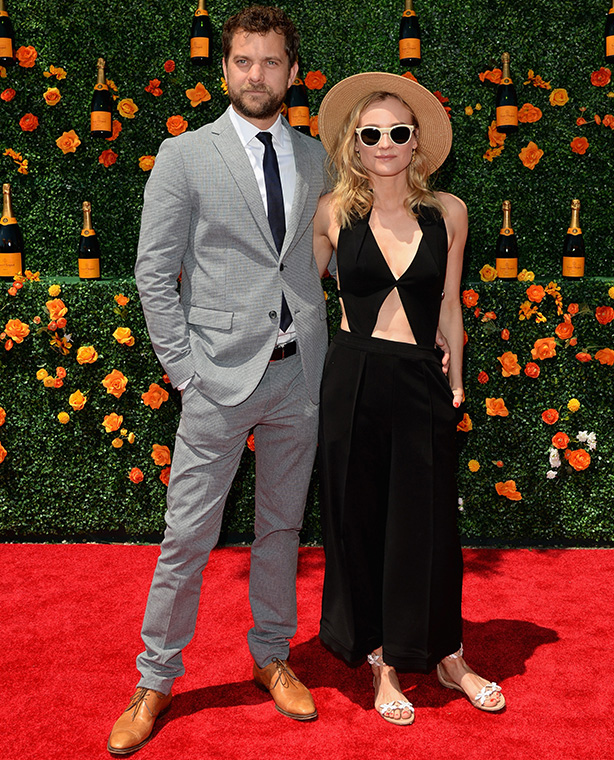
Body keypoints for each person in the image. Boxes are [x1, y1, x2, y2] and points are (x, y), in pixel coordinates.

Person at [107, 6, 330, 754]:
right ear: (225, 67)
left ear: (292, 73)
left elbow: (316, 259)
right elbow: (153, 272)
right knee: (187, 537)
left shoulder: (317, 156)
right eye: (244, 61)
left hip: (298, 378)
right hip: (215, 380)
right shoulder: (185, 155)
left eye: (271, 63)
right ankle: (155, 678)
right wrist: (184, 372)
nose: (257, 75)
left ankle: (272, 655)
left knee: (282, 530)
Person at [313, 72, 506, 726]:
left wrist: (456, 383)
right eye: (373, 134)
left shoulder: (449, 212)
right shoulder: (334, 213)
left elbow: (450, 304)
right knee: (361, 522)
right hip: (354, 379)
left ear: (416, 141)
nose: (387, 143)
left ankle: (448, 653)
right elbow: (290, 294)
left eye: (399, 132)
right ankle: (384, 664)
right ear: (355, 146)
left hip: (422, 379)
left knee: (430, 527)